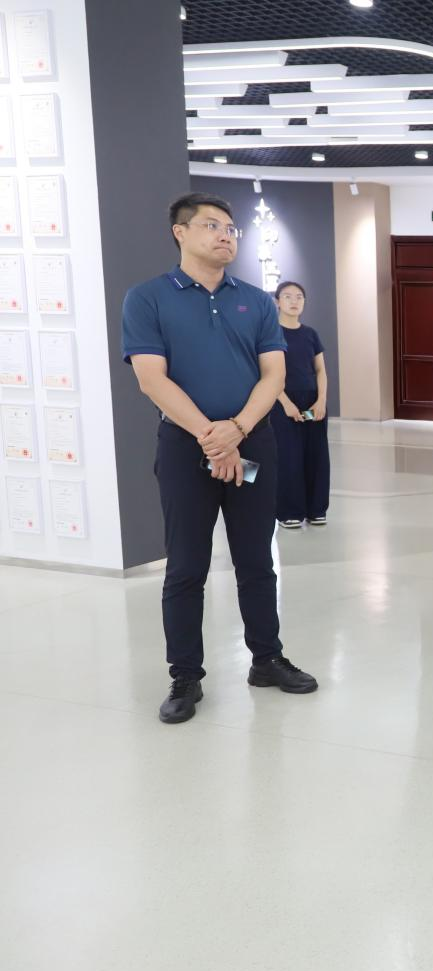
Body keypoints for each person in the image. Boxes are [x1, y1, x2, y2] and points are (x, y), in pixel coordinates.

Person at [122, 192, 318, 725]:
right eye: (212, 225)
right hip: (186, 448)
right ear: (180, 233)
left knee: (256, 558)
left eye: (231, 228)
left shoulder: (256, 301)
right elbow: (151, 379)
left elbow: (273, 374)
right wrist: (212, 437)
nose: (226, 235)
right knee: (187, 565)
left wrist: (237, 431)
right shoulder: (148, 298)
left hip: (251, 443)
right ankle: (185, 675)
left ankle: (267, 659)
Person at [268, 281, 330, 529]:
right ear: (277, 302)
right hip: (283, 401)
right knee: (289, 456)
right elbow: (267, 373)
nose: (294, 301)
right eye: (287, 296)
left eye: (299, 297)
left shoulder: (310, 334)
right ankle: (289, 512)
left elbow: (320, 370)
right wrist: (285, 403)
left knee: (316, 456)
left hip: (312, 402)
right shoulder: (270, 334)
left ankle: (316, 509)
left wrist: (321, 400)